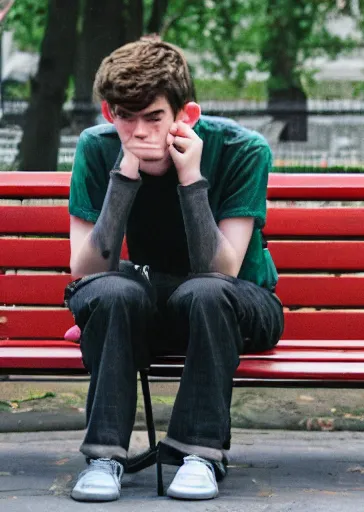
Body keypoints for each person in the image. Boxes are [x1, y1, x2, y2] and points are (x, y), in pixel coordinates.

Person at [64, 36, 284, 502]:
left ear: (187, 116)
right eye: (125, 117)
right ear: (109, 113)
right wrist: (123, 180)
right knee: (110, 293)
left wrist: (190, 178)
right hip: (155, 297)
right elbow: (85, 268)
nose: (138, 132)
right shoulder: (98, 147)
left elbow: (222, 269)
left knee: (205, 292)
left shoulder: (243, 150)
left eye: (153, 118)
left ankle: (200, 453)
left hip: (239, 302)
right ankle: (105, 458)